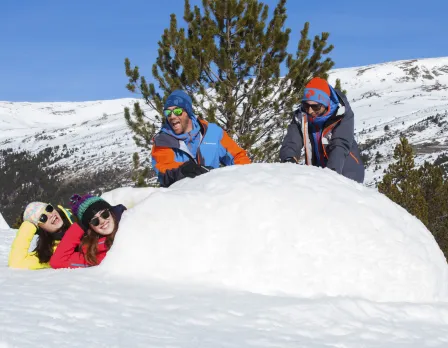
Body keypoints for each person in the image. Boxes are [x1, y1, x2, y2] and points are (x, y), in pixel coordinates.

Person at [151, 90, 251, 187]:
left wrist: (245, 178)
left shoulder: (213, 132)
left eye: (177, 111)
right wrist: (183, 170)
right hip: (181, 197)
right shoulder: (162, 141)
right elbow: (163, 170)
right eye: (168, 113)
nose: (172, 116)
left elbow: (238, 156)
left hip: (212, 193)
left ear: (188, 112)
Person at [280, 77, 364, 183]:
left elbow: (340, 146)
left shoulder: (342, 115)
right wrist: (289, 160)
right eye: (306, 105)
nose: (310, 111)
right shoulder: (301, 116)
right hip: (318, 174)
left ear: (326, 104)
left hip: (346, 174)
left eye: (316, 107)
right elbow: (291, 142)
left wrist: (331, 175)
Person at [50, 194, 126, 269]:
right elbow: (58, 261)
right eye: (95, 221)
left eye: (104, 214)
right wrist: (79, 227)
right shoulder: (92, 254)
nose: (102, 221)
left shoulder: (129, 225)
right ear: (90, 227)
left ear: (111, 213)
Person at [8, 202, 75, 270]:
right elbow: (17, 262)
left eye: (49, 209)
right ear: (40, 228)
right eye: (43, 218)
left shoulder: (78, 215)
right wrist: (29, 224)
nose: (50, 215)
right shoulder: (49, 254)